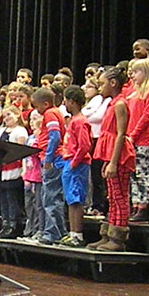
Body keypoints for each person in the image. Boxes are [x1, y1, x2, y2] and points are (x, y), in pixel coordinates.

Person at [88, 66, 135, 252]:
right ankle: (107, 234)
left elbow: (121, 133)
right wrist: (107, 161)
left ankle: (118, 238)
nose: (100, 88)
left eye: (102, 84)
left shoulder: (120, 104)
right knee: (112, 196)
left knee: (120, 197)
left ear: (113, 83)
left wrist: (114, 161)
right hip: (111, 155)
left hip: (120, 156)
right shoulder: (112, 103)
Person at [126, 59, 149, 222]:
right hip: (131, 138)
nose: (133, 75)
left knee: (141, 173)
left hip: (143, 140)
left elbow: (147, 117)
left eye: (136, 72)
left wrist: (134, 134)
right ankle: (135, 203)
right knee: (133, 174)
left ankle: (144, 205)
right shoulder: (134, 93)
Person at [32, 87, 67, 245]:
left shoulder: (50, 113)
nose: (37, 110)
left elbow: (55, 135)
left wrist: (48, 157)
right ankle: (59, 231)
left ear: (45, 103)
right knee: (52, 197)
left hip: (52, 160)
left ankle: (52, 233)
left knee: (50, 198)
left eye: (37, 106)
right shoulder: (55, 112)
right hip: (54, 158)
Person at [58, 86, 92, 247]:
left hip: (77, 164)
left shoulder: (80, 121)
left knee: (76, 199)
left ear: (72, 101)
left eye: (66, 100)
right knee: (70, 200)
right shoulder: (73, 120)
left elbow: (85, 145)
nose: (64, 102)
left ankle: (77, 235)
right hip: (69, 162)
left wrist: (74, 162)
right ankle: (72, 233)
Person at [0, 106, 28, 239]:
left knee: (11, 198)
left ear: (17, 115)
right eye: (4, 116)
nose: (6, 118)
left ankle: (13, 224)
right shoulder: (1, 131)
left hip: (12, 166)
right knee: (2, 198)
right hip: (0, 168)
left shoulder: (20, 131)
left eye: (9, 115)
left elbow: (20, 149)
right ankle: (4, 222)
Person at [82, 75, 111, 217]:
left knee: (98, 174)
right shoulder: (95, 100)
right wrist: (88, 114)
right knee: (92, 175)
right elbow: (83, 113)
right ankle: (92, 204)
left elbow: (98, 116)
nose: (85, 89)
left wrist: (88, 115)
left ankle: (100, 205)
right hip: (90, 138)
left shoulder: (108, 100)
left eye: (90, 86)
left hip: (99, 138)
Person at [19, 111, 43, 241]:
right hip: (28, 174)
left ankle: (37, 229)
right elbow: (25, 156)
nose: (33, 122)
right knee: (29, 203)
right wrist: (24, 172)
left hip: (37, 175)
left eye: (36, 118)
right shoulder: (29, 138)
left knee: (38, 203)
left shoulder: (41, 140)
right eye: (31, 119)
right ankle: (30, 228)